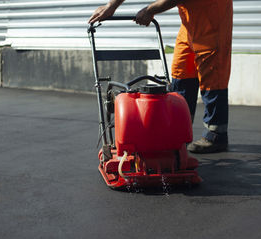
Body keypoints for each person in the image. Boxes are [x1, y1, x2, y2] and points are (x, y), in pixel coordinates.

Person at [89, 0, 233, 153]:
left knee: (213, 78)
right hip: (190, 22)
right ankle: (179, 132)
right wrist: (111, 6)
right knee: (181, 74)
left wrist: (150, 10)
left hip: (212, 19)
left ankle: (216, 135)